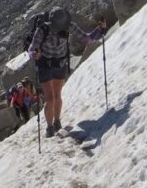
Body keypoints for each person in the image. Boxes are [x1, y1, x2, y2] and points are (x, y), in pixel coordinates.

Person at [27, 7, 105, 137]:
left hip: (60, 65)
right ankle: (49, 127)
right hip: (45, 66)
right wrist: (34, 54)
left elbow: (87, 39)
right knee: (50, 99)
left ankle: (57, 122)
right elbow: (32, 49)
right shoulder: (42, 29)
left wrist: (99, 29)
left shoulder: (69, 26)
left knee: (57, 96)